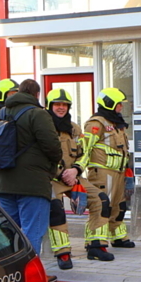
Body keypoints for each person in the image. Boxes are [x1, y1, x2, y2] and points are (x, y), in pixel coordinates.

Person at [0, 79, 62, 257]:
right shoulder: (38, 114)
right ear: (37, 95)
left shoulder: (0, 113)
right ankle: (31, 277)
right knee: (32, 234)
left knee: (8, 235)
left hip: (4, 184)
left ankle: (8, 276)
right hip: (33, 185)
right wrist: (51, 167)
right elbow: (53, 147)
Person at [77, 87, 133, 261]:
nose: (120, 108)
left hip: (119, 172)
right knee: (102, 206)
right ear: (109, 104)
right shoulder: (96, 123)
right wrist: (78, 169)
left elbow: (123, 150)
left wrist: (128, 170)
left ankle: (117, 236)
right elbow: (85, 148)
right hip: (102, 172)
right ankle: (95, 243)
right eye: (118, 104)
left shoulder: (117, 124)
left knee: (119, 205)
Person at [46, 88, 84, 270]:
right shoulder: (44, 126)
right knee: (56, 209)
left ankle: (96, 245)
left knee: (101, 200)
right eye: (57, 104)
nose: (61, 108)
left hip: (74, 176)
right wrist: (62, 173)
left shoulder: (75, 128)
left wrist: (76, 170)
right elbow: (43, 156)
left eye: (64, 105)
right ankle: (63, 253)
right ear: (50, 105)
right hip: (53, 178)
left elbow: (85, 153)